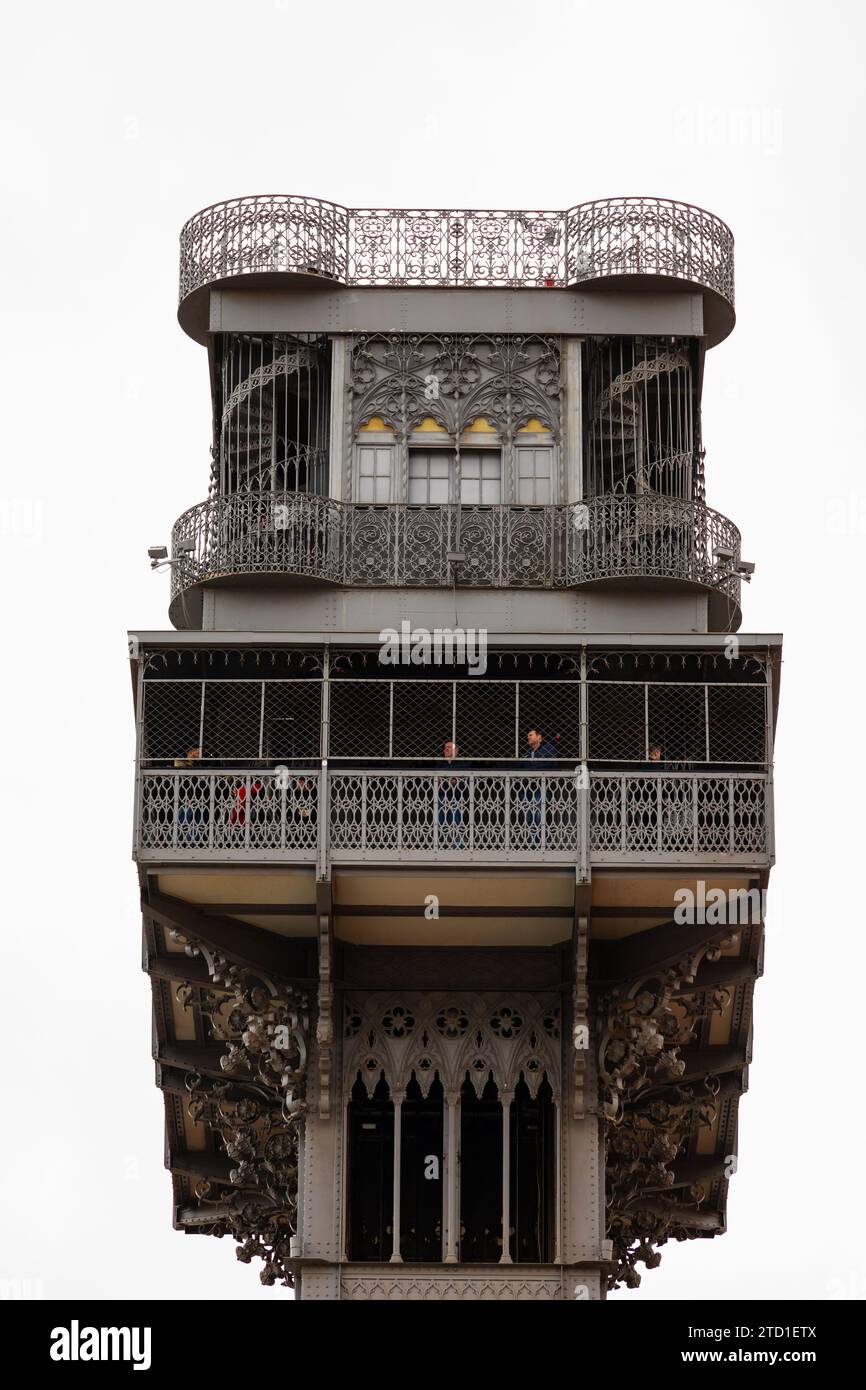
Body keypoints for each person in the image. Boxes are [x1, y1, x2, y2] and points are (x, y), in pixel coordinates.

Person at [519, 728, 557, 842]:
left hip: (542, 787)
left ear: (539, 737)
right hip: (528, 788)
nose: (528, 737)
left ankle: (540, 842)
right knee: (528, 815)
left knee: (539, 815)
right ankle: (531, 842)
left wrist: (531, 771)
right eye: (528, 736)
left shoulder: (548, 750)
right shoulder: (526, 752)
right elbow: (520, 767)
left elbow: (550, 766)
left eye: (530, 735)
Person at [437, 740, 468, 848]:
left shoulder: (462, 765)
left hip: (457, 797)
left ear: (457, 750)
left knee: (456, 820)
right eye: (445, 747)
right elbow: (437, 783)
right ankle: (439, 843)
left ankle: (458, 844)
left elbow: (463, 783)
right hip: (442, 796)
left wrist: (454, 781)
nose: (446, 749)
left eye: (449, 747)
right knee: (439, 820)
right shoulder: (440, 764)